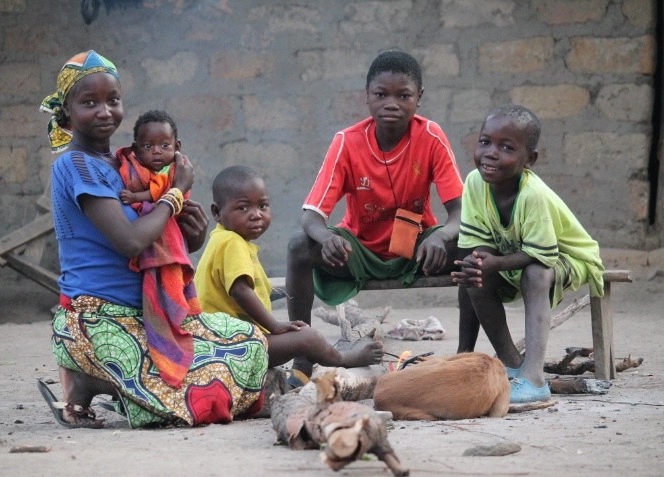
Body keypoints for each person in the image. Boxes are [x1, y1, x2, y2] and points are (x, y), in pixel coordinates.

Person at [38, 50, 268, 429]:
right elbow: (130, 242)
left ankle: (107, 383)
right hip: (98, 319)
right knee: (188, 395)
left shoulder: (125, 165)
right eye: (89, 102)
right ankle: (88, 376)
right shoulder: (75, 164)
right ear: (66, 112)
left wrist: (191, 235)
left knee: (249, 339)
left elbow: (156, 240)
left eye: (112, 100)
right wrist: (176, 194)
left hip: (151, 316)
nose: (104, 111)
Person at [285, 50, 464, 385]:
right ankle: (303, 356)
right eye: (381, 94)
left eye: (404, 95)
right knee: (299, 246)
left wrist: (442, 235)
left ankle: (466, 355)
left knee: (472, 248)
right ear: (367, 97)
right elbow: (311, 217)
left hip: (418, 249)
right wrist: (326, 238)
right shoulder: (347, 142)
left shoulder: (431, 136)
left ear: (419, 99)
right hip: (360, 251)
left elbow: (459, 212)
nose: (391, 103)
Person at [451, 104, 605, 404]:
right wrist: (479, 262)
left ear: (529, 159)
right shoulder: (473, 183)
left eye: (506, 147)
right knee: (475, 272)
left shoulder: (531, 194)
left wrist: (495, 262)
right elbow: (478, 241)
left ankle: (534, 378)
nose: (491, 153)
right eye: (485, 142)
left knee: (535, 274)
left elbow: (543, 255)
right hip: (519, 255)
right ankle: (511, 364)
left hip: (570, 256)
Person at [195, 166, 384, 380]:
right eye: (243, 208)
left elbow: (247, 289)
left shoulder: (222, 240)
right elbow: (241, 291)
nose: (256, 215)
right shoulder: (231, 243)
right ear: (217, 212)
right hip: (233, 348)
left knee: (299, 334)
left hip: (223, 344)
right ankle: (343, 359)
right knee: (307, 337)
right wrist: (274, 326)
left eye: (263, 206)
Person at [115, 110, 199, 387]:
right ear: (136, 149)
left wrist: (137, 197)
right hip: (147, 236)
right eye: (148, 147)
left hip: (169, 237)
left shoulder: (174, 171)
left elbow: (163, 193)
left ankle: (175, 324)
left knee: (171, 280)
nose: (157, 152)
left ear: (177, 147)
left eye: (165, 146)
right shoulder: (130, 170)